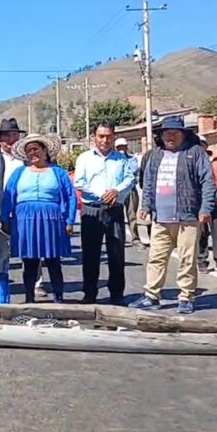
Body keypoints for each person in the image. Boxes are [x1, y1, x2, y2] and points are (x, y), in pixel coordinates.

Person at [130, 116, 214, 314]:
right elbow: (148, 182)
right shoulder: (156, 155)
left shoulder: (195, 153)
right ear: (161, 136)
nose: (170, 137)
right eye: (167, 133)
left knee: (187, 259)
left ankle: (186, 296)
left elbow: (208, 182)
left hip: (188, 217)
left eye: (175, 133)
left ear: (183, 134)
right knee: (156, 258)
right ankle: (151, 295)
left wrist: (205, 208)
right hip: (161, 218)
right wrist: (146, 205)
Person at [1, 134, 76, 303]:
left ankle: (59, 299)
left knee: (53, 261)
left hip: (51, 220)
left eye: (35, 149)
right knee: (30, 262)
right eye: (28, 150)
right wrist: (5, 219)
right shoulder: (19, 173)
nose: (32, 153)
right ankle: (29, 299)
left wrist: (70, 220)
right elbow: (8, 196)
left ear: (45, 150)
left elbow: (71, 196)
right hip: (25, 221)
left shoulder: (58, 172)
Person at [73, 121, 137, 304]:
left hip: (114, 210)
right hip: (91, 210)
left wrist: (116, 192)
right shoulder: (84, 158)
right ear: (95, 137)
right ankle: (90, 294)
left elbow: (130, 179)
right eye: (101, 136)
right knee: (90, 255)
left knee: (116, 255)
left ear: (114, 137)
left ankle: (117, 294)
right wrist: (101, 195)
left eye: (109, 136)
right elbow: (79, 182)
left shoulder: (121, 159)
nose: (105, 140)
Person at [0, 118, 26, 302]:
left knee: (28, 253)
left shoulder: (26, 158)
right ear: (0, 139)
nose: (10, 140)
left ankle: (35, 287)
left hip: (23, 213)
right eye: (6, 136)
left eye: (14, 135)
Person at [196, 134, 217, 274]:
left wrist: (215, 197)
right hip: (200, 205)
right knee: (202, 234)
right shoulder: (194, 161)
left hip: (216, 204)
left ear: (206, 145)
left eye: (202, 144)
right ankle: (201, 260)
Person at [114, 138, 142, 248]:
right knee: (116, 215)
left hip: (130, 190)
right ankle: (119, 238)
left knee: (132, 215)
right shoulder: (113, 160)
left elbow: (132, 171)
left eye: (123, 146)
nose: (121, 149)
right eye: (119, 147)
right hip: (118, 191)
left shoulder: (132, 159)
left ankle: (135, 238)